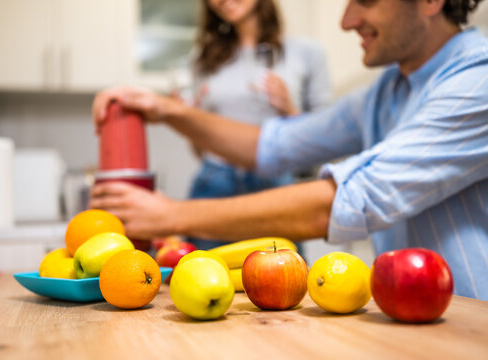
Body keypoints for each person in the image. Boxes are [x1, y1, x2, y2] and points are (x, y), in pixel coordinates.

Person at [91, 0, 488, 300]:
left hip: (472, 325)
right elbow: (274, 144)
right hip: (410, 317)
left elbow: (346, 200)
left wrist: (171, 214)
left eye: (365, 0)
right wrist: (168, 110)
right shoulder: (386, 90)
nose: (346, 21)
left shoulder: (477, 81)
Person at [184, 0, 332, 249]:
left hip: (275, 186)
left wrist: (290, 109)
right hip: (214, 182)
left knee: (287, 279)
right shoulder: (202, 59)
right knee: (202, 276)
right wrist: (189, 121)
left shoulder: (307, 52)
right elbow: (199, 151)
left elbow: (328, 138)